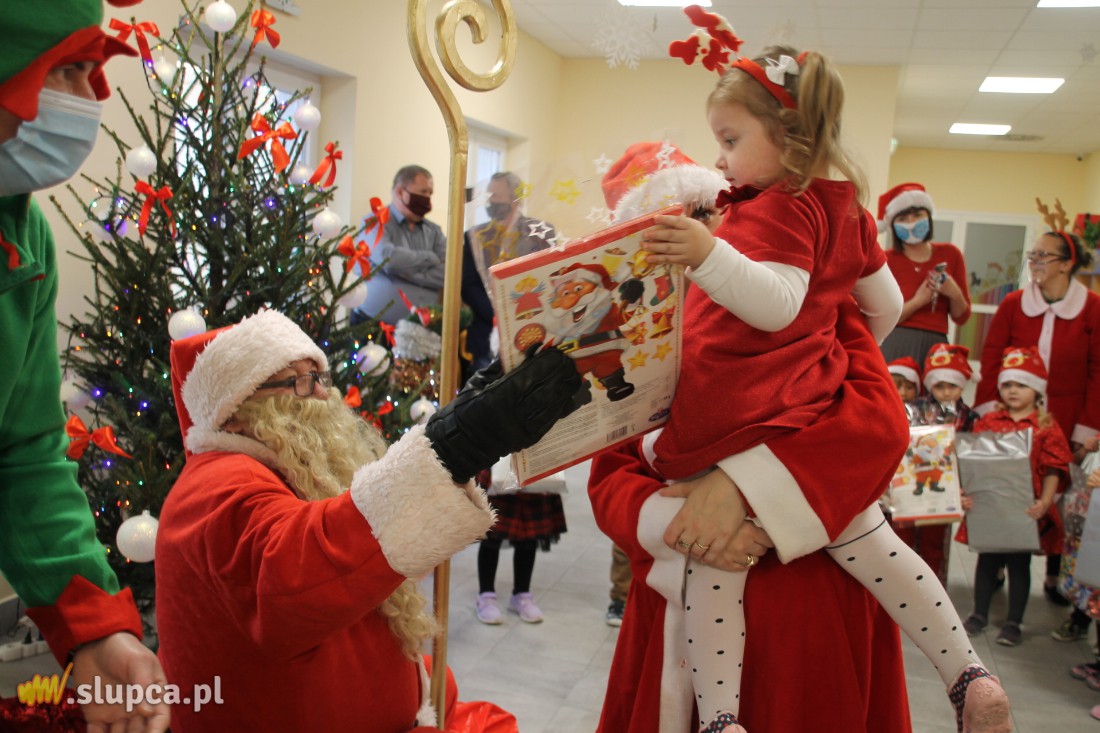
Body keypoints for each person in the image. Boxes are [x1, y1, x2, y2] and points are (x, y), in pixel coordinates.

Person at [636, 34, 1008, 733]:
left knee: (717, 567)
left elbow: (776, 301)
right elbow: (888, 307)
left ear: (791, 139)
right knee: (873, 542)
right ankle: (968, 673)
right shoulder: (847, 209)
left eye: (730, 137)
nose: (718, 156)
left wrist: (710, 254)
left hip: (742, 415)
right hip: (807, 415)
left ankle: (720, 717)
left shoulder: (772, 206)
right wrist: (831, 314)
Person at [157, 309, 581, 732]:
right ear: (233, 412)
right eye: (297, 382)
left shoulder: (287, 470)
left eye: (320, 377)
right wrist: (455, 445)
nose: (321, 395)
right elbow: (294, 573)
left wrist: (455, 431)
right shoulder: (215, 484)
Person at [0, 3, 169, 731]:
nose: (87, 97)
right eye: (65, 67)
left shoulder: (23, 233)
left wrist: (96, 625)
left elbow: (25, 448)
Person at [975, 227, 1100, 613]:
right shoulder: (1014, 303)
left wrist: (1087, 429)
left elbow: (1098, 371)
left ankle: (1054, 575)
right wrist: (987, 417)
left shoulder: (1093, 308)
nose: (1035, 261)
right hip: (1009, 415)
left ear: (1067, 263)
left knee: (1059, 500)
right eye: (1034, 254)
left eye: (1045, 256)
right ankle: (995, 563)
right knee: (1008, 491)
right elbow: (992, 356)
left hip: (1066, 415)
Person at [959, 346, 1073, 647]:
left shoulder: (1046, 427)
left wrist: (1046, 502)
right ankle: (979, 613)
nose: (1012, 391)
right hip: (989, 507)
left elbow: (1054, 468)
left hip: (1025, 510)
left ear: (1036, 391)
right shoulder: (988, 421)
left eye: (1021, 385)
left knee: (1018, 565)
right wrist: (967, 494)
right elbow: (974, 464)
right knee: (986, 562)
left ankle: (1013, 622)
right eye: (1007, 384)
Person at [461, 171, 555, 373]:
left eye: (495, 196)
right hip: (486, 333)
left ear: (515, 198)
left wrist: (518, 316)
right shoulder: (474, 236)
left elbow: (548, 277)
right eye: (487, 196)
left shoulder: (541, 232)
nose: (489, 202)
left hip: (533, 331)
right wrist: (498, 315)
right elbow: (467, 285)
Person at [877, 182, 972, 366]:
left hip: (936, 347)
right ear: (893, 224)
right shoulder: (885, 260)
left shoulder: (951, 254)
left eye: (917, 215)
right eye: (903, 218)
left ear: (928, 217)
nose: (911, 223)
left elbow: (962, 317)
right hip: (895, 343)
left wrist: (954, 293)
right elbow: (882, 318)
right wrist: (919, 301)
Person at [354, 165, 448, 325]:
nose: (428, 198)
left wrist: (403, 273)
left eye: (430, 193)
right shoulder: (375, 222)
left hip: (419, 333)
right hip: (371, 326)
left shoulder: (434, 231)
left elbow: (447, 273)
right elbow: (388, 259)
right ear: (399, 192)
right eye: (423, 192)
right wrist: (430, 258)